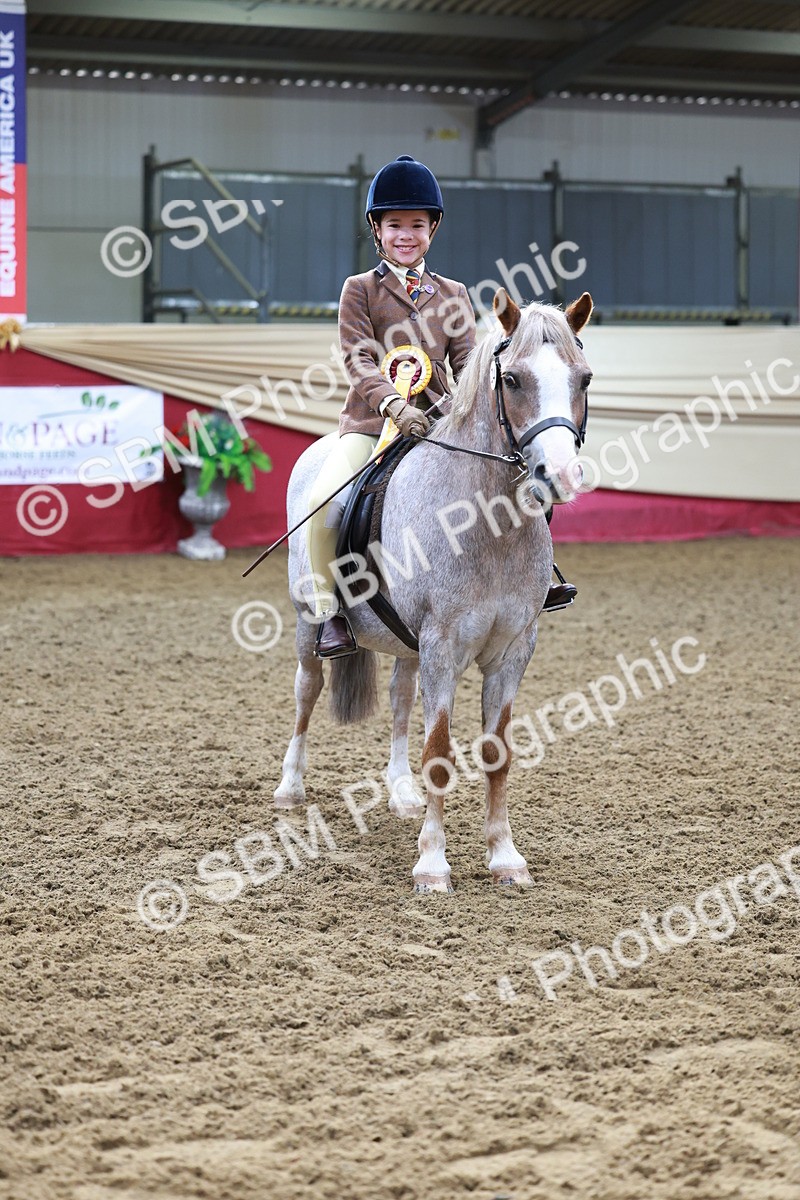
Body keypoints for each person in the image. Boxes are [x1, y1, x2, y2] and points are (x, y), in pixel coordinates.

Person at [306, 153, 577, 659]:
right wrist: (392, 404)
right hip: (372, 424)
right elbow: (358, 357)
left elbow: (468, 363)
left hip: (439, 423)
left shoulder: (453, 293)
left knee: (520, 480)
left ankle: (537, 580)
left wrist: (461, 410)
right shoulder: (359, 290)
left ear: (432, 228)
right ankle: (329, 611)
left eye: (416, 225)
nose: (405, 235)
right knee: (325, 501)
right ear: (377, 229)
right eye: (395, 225)